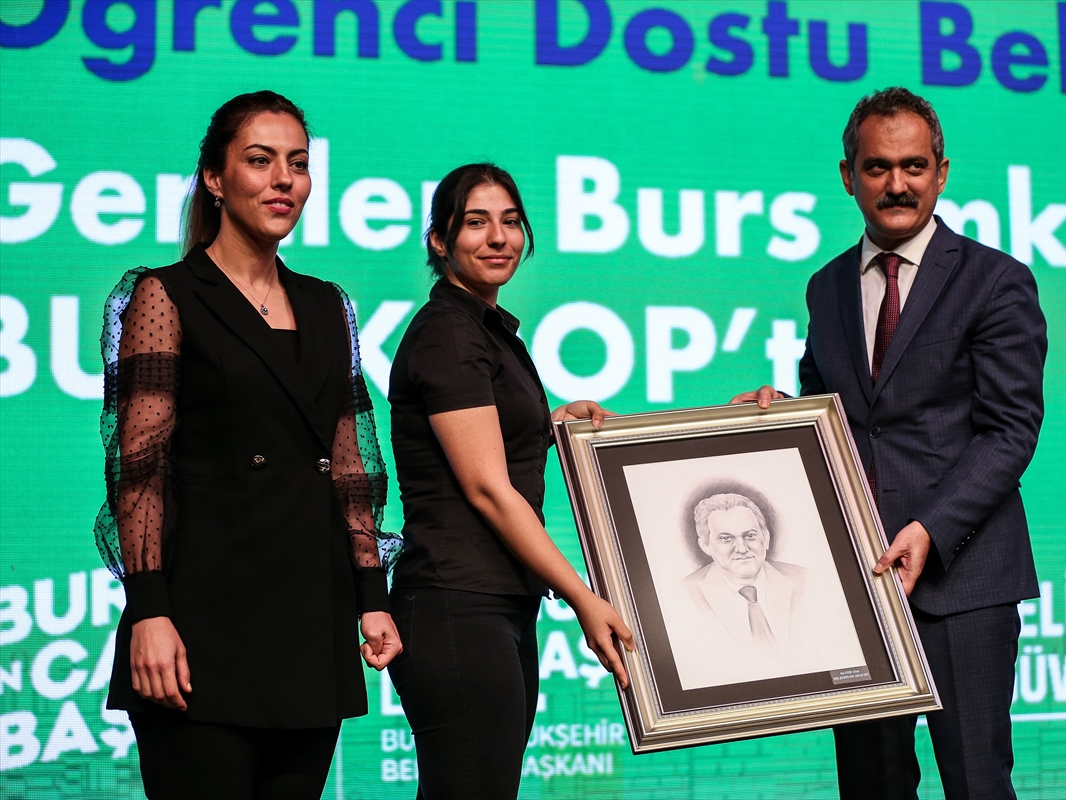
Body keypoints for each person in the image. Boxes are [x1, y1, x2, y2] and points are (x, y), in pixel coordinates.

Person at [732, 87, 1047, 799]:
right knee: (870, 787)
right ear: (849, 176)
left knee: (976, 784)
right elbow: (837, 417)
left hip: (964, 580)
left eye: (914, 166)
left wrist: (930, 529)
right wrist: (780, 418)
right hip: (859, 584)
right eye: (877, 167)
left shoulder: (996, 282)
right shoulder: (826, 287)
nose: (897, 184)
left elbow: (1010, 430)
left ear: (941, 172)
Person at [95, 90, 402, 800]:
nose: (283, 180)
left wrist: (372, 597)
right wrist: (150, 610)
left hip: (309, 624)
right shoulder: (166, 294)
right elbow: (139, 466)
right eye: (260, 161)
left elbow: (351, 466)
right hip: (200, 622)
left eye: (298, 163)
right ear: (214, 177)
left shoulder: (328, 304)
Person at [386, 163, 635, 800]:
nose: (499, 237)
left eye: (511, 221)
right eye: (476, 222)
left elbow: (476, 444)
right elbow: (487, 488)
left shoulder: (483, 328)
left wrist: (549, 426)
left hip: (493, 603)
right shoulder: (449, 332)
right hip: (455, 602)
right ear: (439, 240)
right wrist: (583, 597)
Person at [668, 493, 864, 687]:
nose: (742, 548)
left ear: (766, 537)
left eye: (750, 535)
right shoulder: (680, 598)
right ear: (705, 545)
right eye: (726, 538)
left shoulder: (809, 582)